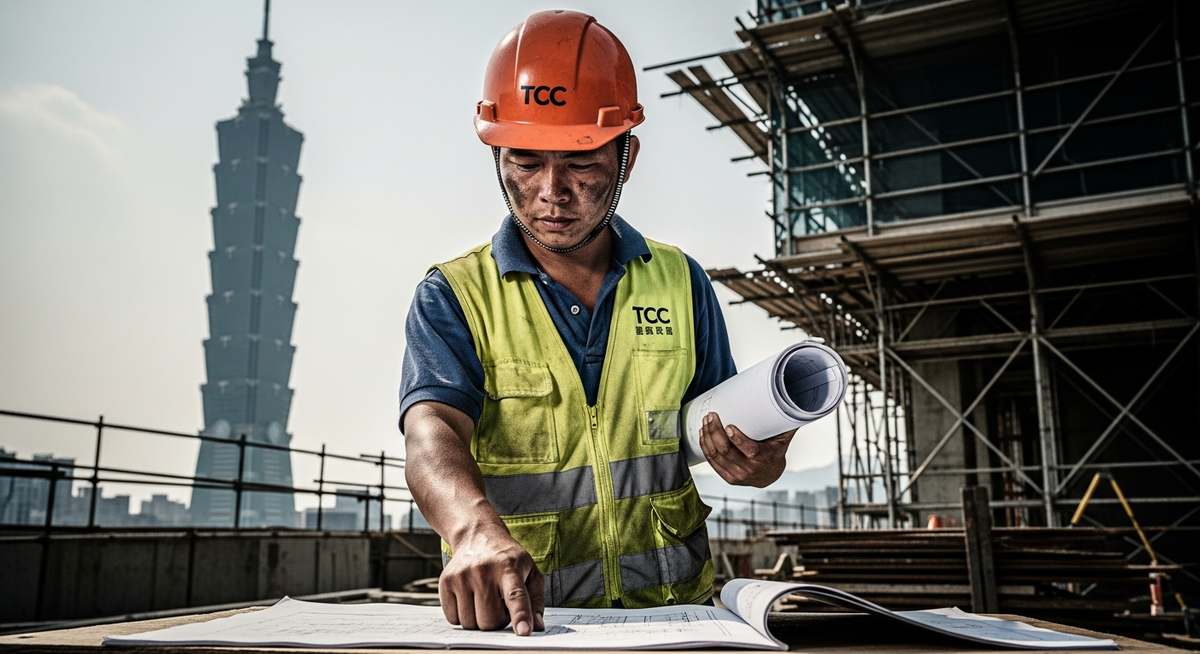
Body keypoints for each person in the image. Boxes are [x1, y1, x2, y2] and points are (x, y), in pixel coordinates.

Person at [399, 9, 795, 637]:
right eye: (525, 162)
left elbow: (719, 433)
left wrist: (758, 460)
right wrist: (473, 532)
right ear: (498, 153)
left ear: (626, 155)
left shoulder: (680, 283)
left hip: (678, 623)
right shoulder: (454, 295)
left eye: (580, 161)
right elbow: (431, 431)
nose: (552, 191)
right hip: (529, 627)